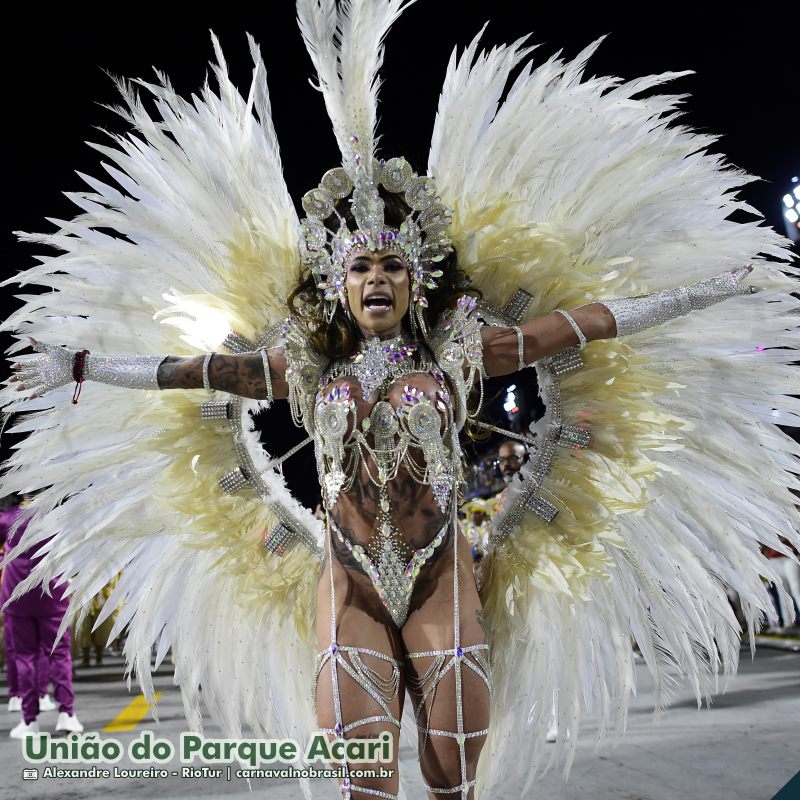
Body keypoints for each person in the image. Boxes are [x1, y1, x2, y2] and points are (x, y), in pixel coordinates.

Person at [2, 2, 798, 797]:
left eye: (391, 266)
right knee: (365, 784)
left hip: (441, 582)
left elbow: (587, 325)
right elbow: (191, 371)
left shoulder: (462, 354)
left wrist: (719, 286)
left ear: (416, 281)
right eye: (359, 269)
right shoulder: (303, 368)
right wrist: (80, 364)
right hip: (349, 588)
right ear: (339, 286)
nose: (375, 279)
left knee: (452, 777)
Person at [0, 499, 83, 738]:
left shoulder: (8, 518)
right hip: (52, 591)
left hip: (17, 593)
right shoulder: (60, 515)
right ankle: (67, 713)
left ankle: (30, 720)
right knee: (59, 653)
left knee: (24, 656)